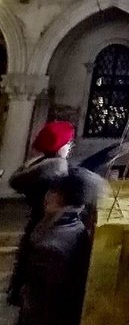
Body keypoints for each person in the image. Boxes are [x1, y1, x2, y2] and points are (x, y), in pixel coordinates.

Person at [11, 173, 92, 325]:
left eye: (54, 191)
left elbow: (43, 305)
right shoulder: (76, 226)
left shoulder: (50, 248)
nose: (47, 196)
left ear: (68, 197)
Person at [8, 121, 76, 307]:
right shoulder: (57, 168)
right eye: (68, 143)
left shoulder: (37, 165)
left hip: (36, 222)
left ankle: (19, 293)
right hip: (49, 223)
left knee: (28, 258)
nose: (70, 147)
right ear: (60, 145)